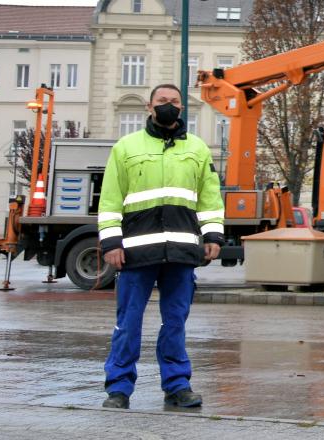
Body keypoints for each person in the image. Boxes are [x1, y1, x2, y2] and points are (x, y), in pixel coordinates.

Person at [99, 84, 225, 410]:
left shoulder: (198, 150)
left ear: (182, 107)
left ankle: (177, 385)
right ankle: (118, 389)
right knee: (128, 323)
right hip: (136, 252)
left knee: (176, 323)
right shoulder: (126, 148)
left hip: (181, 252)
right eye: (162, 101)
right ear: (149, 107)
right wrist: (111, 242)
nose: (168, 106)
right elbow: (110, 200)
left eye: (174, 101)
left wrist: (212, 237)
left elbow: (210, 200)